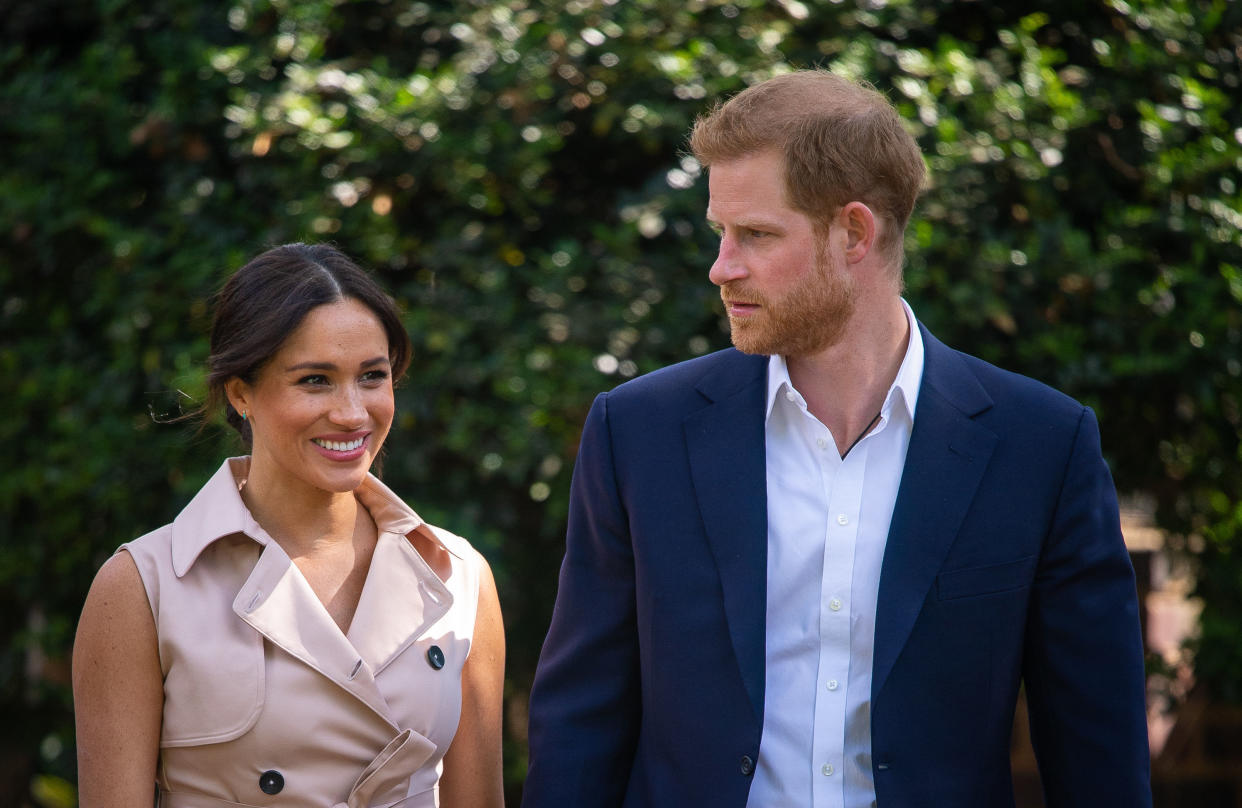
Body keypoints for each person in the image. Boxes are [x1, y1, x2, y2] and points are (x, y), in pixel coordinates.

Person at [524, 71, 1151, 808]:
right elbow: (580, 725)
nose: (721, 267)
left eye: (755, 234)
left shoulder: (1040, 446)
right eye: (720, 232)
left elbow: (1096, 751)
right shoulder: (638, 432)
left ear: (854, 232)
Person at [73, 243, 505, 808]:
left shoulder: (457, 575)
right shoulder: (142, 586)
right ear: (241, 393)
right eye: (315, 380)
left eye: (372, 376)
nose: (352, 413)